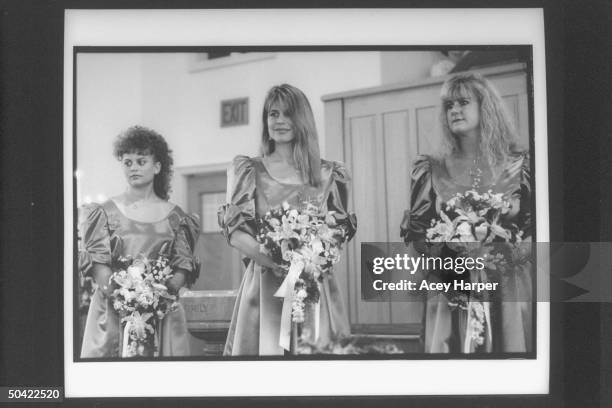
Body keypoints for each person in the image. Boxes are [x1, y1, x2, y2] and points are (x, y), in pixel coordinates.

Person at [218, 84, 357, 356]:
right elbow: (236, 233)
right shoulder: (248, 170)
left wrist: (305, 264)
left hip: (314, 287)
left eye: (288, 114)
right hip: (265, 285)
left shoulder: (330, 174)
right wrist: (282, 264)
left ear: (302, 119)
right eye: (273, 114)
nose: (279, 121)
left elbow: (337, 234)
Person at [400, 72, 532, 353]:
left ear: (486, 107)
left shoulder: (518, 165)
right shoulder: (429, 169)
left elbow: (530, 230)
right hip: (449, 284)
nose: (454, 110)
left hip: (504, 287)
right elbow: (420, 233)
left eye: (462, 102)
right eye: (449, 105)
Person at [78, 126, 200, 358]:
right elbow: (99, 266)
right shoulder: (104, 213)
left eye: (141, 161)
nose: (133, 167)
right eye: (128, 162)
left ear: (157, 167)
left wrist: (156, 298)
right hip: (113, 312)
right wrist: (127, 299)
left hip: (162, 313)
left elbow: (182, 267)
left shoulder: (177, 218)